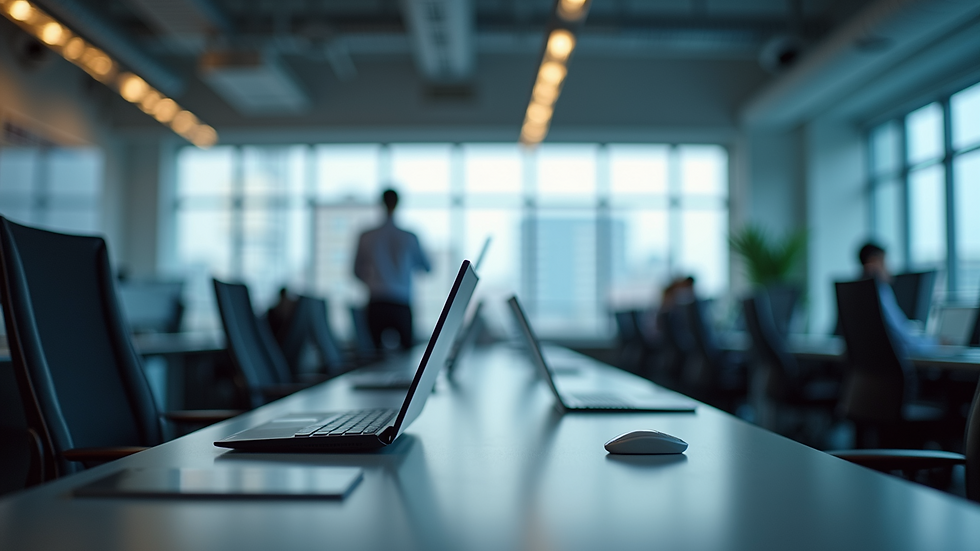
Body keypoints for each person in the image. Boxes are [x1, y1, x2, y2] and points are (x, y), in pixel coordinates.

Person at [353, 188, 431, 350]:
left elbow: (355, 271)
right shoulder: (409, 236)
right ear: (398, 203)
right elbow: (427, 268)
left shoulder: (366, 236)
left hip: (376, 303)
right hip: (401, 303)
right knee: (407, 357)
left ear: (381, 203)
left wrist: (374, 280)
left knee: (374, 357)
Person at [856, 241, 936, 356]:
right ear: (874, 262)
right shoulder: (880, 291)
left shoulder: (855, 292)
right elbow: (904, 339)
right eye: (886, 262)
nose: (890, 268)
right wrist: (936, 343)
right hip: (889, 367)